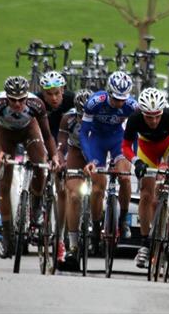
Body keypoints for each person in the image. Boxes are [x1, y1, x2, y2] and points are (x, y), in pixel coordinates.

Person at [121, 88, 169, 269]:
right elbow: (125, 146)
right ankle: (145, 244)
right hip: (147, 149)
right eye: (149, 117)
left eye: (157, 116)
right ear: (142, 113)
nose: (154, 121)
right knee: (146, 195)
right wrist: (136, 161)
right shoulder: (135, 119)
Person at [0, 76, 59, 259]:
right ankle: (6, 235)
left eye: (22, 100)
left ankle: (36, 206)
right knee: (4, 182)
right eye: (13, 100)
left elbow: (48, 135)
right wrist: (0, 152)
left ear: (27, 97)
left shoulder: (37, 104)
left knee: (39, 163)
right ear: (7, 97)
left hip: (29, 130)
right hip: (6, 134)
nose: (18, 104)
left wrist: (54, 157)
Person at [80, 71, 137, 254]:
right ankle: (96, 227)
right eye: (115, 99)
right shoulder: (95, 102)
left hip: (118, 141)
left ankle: (123, 220)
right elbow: (84, 133)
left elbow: (136, 133)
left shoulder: (132, 106)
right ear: (108, 92)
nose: (119, 103)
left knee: (125, 178)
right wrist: (90, 161)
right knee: (98, 188)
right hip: (97, 141)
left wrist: (132, 156)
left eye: (123, 99)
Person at [36, 70, 75, 263]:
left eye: (57, 93)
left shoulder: (71, 101)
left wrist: (63, 157)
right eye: (49, 94)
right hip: (43, 138)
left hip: (63, 141)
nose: (53, 98)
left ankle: (60, 238)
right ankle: (35, 208)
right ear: (42, 93)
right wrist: (46, 155)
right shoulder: (35, 101)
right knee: (39, 170)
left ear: (63, 91)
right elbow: (33, 132)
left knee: (63, 190)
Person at [57, 89, 92, 266]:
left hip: (97, 152)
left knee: (101, 189)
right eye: (80, 115)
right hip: (76, 152)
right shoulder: (68, 119)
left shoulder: (102, 118)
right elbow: (61, 145)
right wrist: (60, 160)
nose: (83, 119)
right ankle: (73, 244)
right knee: (74, 195)